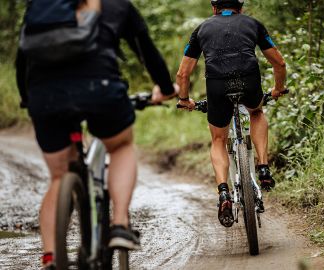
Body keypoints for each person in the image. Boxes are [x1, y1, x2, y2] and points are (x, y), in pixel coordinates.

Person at [15, 0, 177, 268]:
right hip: (99, 87)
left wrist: (27, 99)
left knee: (58, 176)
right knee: (121, 145)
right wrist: (164, 87)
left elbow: (23, 59)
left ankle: (51, 257)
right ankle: (120, 225)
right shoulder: (117, 5)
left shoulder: (41, 5)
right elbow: (146, 52)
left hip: (44, 96)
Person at [172, 0, 287, 227]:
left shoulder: (201, 29)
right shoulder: (253, 24)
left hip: (216, 87)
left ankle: (223, 192)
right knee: (256, 112)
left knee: (218, 138)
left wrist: (185, 100)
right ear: (240, 8)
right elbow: (279, 63)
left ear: (214, 8)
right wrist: (278, 88)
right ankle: (263, 166)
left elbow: (182, 74)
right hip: (249, 81)